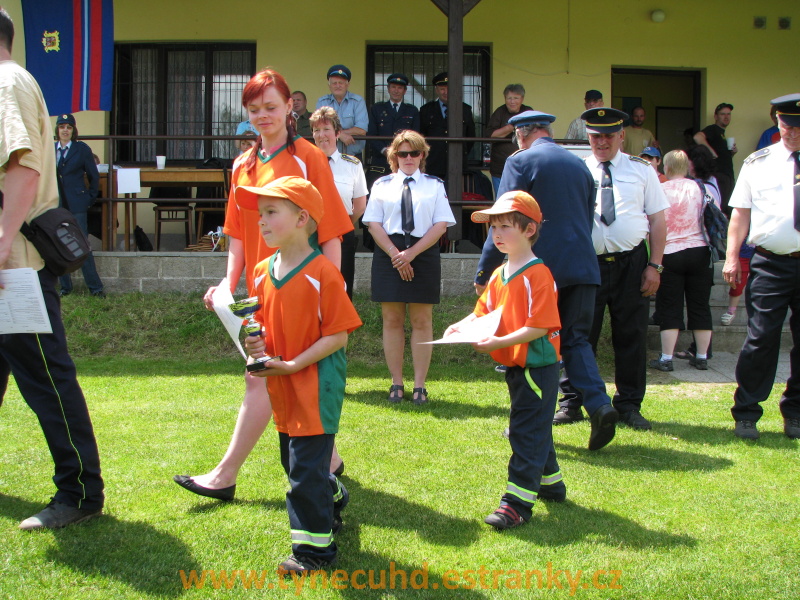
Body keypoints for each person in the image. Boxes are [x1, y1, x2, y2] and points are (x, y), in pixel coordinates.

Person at [174, 68, 352, 500]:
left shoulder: (309, 156)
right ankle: (328, 462)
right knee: (278, 375)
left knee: (265, 374)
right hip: (259, 289)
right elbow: (236, 232)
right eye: (254, 110)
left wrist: (332, 287)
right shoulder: (242, 164)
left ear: (290, 106)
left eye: (271, 107)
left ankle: (225, 475)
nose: (263, 116)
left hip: (302, 286)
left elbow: (329, 229)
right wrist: (226, 283)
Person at [0, 7, 104, 530]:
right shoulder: (15, 80)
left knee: (46, 377)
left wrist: (0, 245)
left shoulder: (5, 81)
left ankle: (81, 492)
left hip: (14, 266)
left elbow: (22, 164)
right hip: (8, 263)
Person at [237, 176, 361, 574]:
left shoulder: (323, 273)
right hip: (283, 384)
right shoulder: (259, 271)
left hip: (316, 386)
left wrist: (292, 364)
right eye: (260, 214)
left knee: (303, 473)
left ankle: (313, 553)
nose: (262, 222)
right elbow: (260, 325)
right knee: (294, 464)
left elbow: (338, 336)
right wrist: (256, 343)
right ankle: (332, 494)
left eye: (272, 212)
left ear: (302, 218)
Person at [475, 110, 617, 451]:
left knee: (534, 346)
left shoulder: (520, 161)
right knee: (576, 341)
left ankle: (526, 424)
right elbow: (584, 216)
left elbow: (504, 218)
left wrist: (485, 271)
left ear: (521, 134)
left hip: (539, 270)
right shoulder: (580, 164)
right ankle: (599, 405)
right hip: (583, 264)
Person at [447, 192, 563, 529]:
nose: (496, 234)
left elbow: (539, 326)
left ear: (529, 230)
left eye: (505, 226)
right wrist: (462, 325)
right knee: (533, 425)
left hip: (537, 369)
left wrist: (499, 341)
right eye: (493, 227)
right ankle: (551, 483)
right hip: (516, 368)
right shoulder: (500, 272)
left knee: (525, 431)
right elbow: (483, 310)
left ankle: (516, 504)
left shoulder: (538, 275)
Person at [559, 107, 668, 431]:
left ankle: (629, 405)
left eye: (608, 135)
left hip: (631, 263)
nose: (602, 142)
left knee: (631, 335)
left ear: (622, 135)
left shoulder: (642, 170)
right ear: (588, 137)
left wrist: (655, 266)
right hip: (585, 264)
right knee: (578, 335)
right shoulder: (576, 170)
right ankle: (573, 402)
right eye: (595, 136)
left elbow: (658, 219)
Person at [723, 93, 800, 441]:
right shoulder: (759, 162)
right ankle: (747, 412)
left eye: (798, 127)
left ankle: (795, 413)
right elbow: (740, 214)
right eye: (786, 124)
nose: (792, 132)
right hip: (771, 263)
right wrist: (730, 256)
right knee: (760, 339)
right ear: (777, 122)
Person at [362, 130, 455, 405]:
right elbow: (373, 224)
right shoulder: (381, 185)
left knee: (422, 321)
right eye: (403, 153)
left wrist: (411, 254)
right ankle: (396, 383)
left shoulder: (435, 185)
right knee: (391, 320)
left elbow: (440, 225)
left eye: (414, 153)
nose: (409, 158)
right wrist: (396, 254)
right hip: (388, 253)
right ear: (394, 156)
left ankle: (419, 386)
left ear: (422, 155)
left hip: (423, 252)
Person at [648, 150, 713, 372]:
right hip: (700, 250)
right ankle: (702, 356)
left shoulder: (661, 189)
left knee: (670, 306)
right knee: (700, 305)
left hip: (670, 252)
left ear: (666, 167)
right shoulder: (700, 187)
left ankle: (666, 358)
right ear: (687, 166)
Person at [311, 106, 367, 299]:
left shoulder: (352, 165)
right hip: (309, 235)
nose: (321, 135)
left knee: (341, 290)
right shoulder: (304, 164)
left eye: (326, 129)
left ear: (337, 133)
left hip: (342, 234)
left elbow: (360, 206)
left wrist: (340, 225)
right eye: (317, 130)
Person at [53, 113, 105, 298]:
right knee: (60, 245)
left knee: (82, 246)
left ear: (74, 130)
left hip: (77, 204)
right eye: (62, 126)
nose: (65, 130)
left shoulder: (81, 149)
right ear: (57, 130)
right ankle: (65, 288)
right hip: (58, 204)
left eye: (69, 127)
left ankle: (95, 288)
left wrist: (88, 198)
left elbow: (93, 176)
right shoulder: (51, 149)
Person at [418, 72, 476, 182]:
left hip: (457, 164)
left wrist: (459, 151)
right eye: (442, 89)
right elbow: (421, 136)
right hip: (433, 163)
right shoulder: (426, 110)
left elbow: (470, 137)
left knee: (455, 198)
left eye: (448, 88)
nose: (445, 92)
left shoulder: (465, 109)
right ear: (436, 90)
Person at [366, 73, 420, 186]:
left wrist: (403, 152)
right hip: (380, 161)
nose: (396, 90)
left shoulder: (412, 111)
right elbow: (371, 134)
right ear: (388, 89)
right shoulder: (377, 109)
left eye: (400, 88)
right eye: (393, 87)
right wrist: (385, 151)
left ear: (405, 91)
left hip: (405, 160)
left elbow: (416, 137)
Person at [485, 84, 534, 197]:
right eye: (509, 98)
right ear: (505, 99)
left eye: (516, 98)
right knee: (502, 202)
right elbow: (490, 135)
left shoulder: (528, 111)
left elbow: (534, 133)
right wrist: (512, 126)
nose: (512, 101)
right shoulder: (500, 112)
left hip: (524, 167)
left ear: (522, 99)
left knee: (524, 202)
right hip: (500, 167)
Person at [315, 65, 369, 159]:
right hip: (327, 156)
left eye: (341, 83)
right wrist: (340, 135)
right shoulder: (322, 102)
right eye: (334, 83)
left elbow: (362, 130)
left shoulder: (358, 101)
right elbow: (319, 128)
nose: (337, 86)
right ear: (329, 85)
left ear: (347, 84)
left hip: (352, 156)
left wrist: (337, 133)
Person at [693, 102, 737, 211]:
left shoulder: (722, 133)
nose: (726, 117)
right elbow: (697, 137)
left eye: (728, 114)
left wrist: (731, 153)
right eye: (723, 114)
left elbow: (721, 156)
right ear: (716, 116)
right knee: (721, 208)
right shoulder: (713, 129)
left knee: (727, 207)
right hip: (719, 175)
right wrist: (711, 151)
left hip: (726, 175)